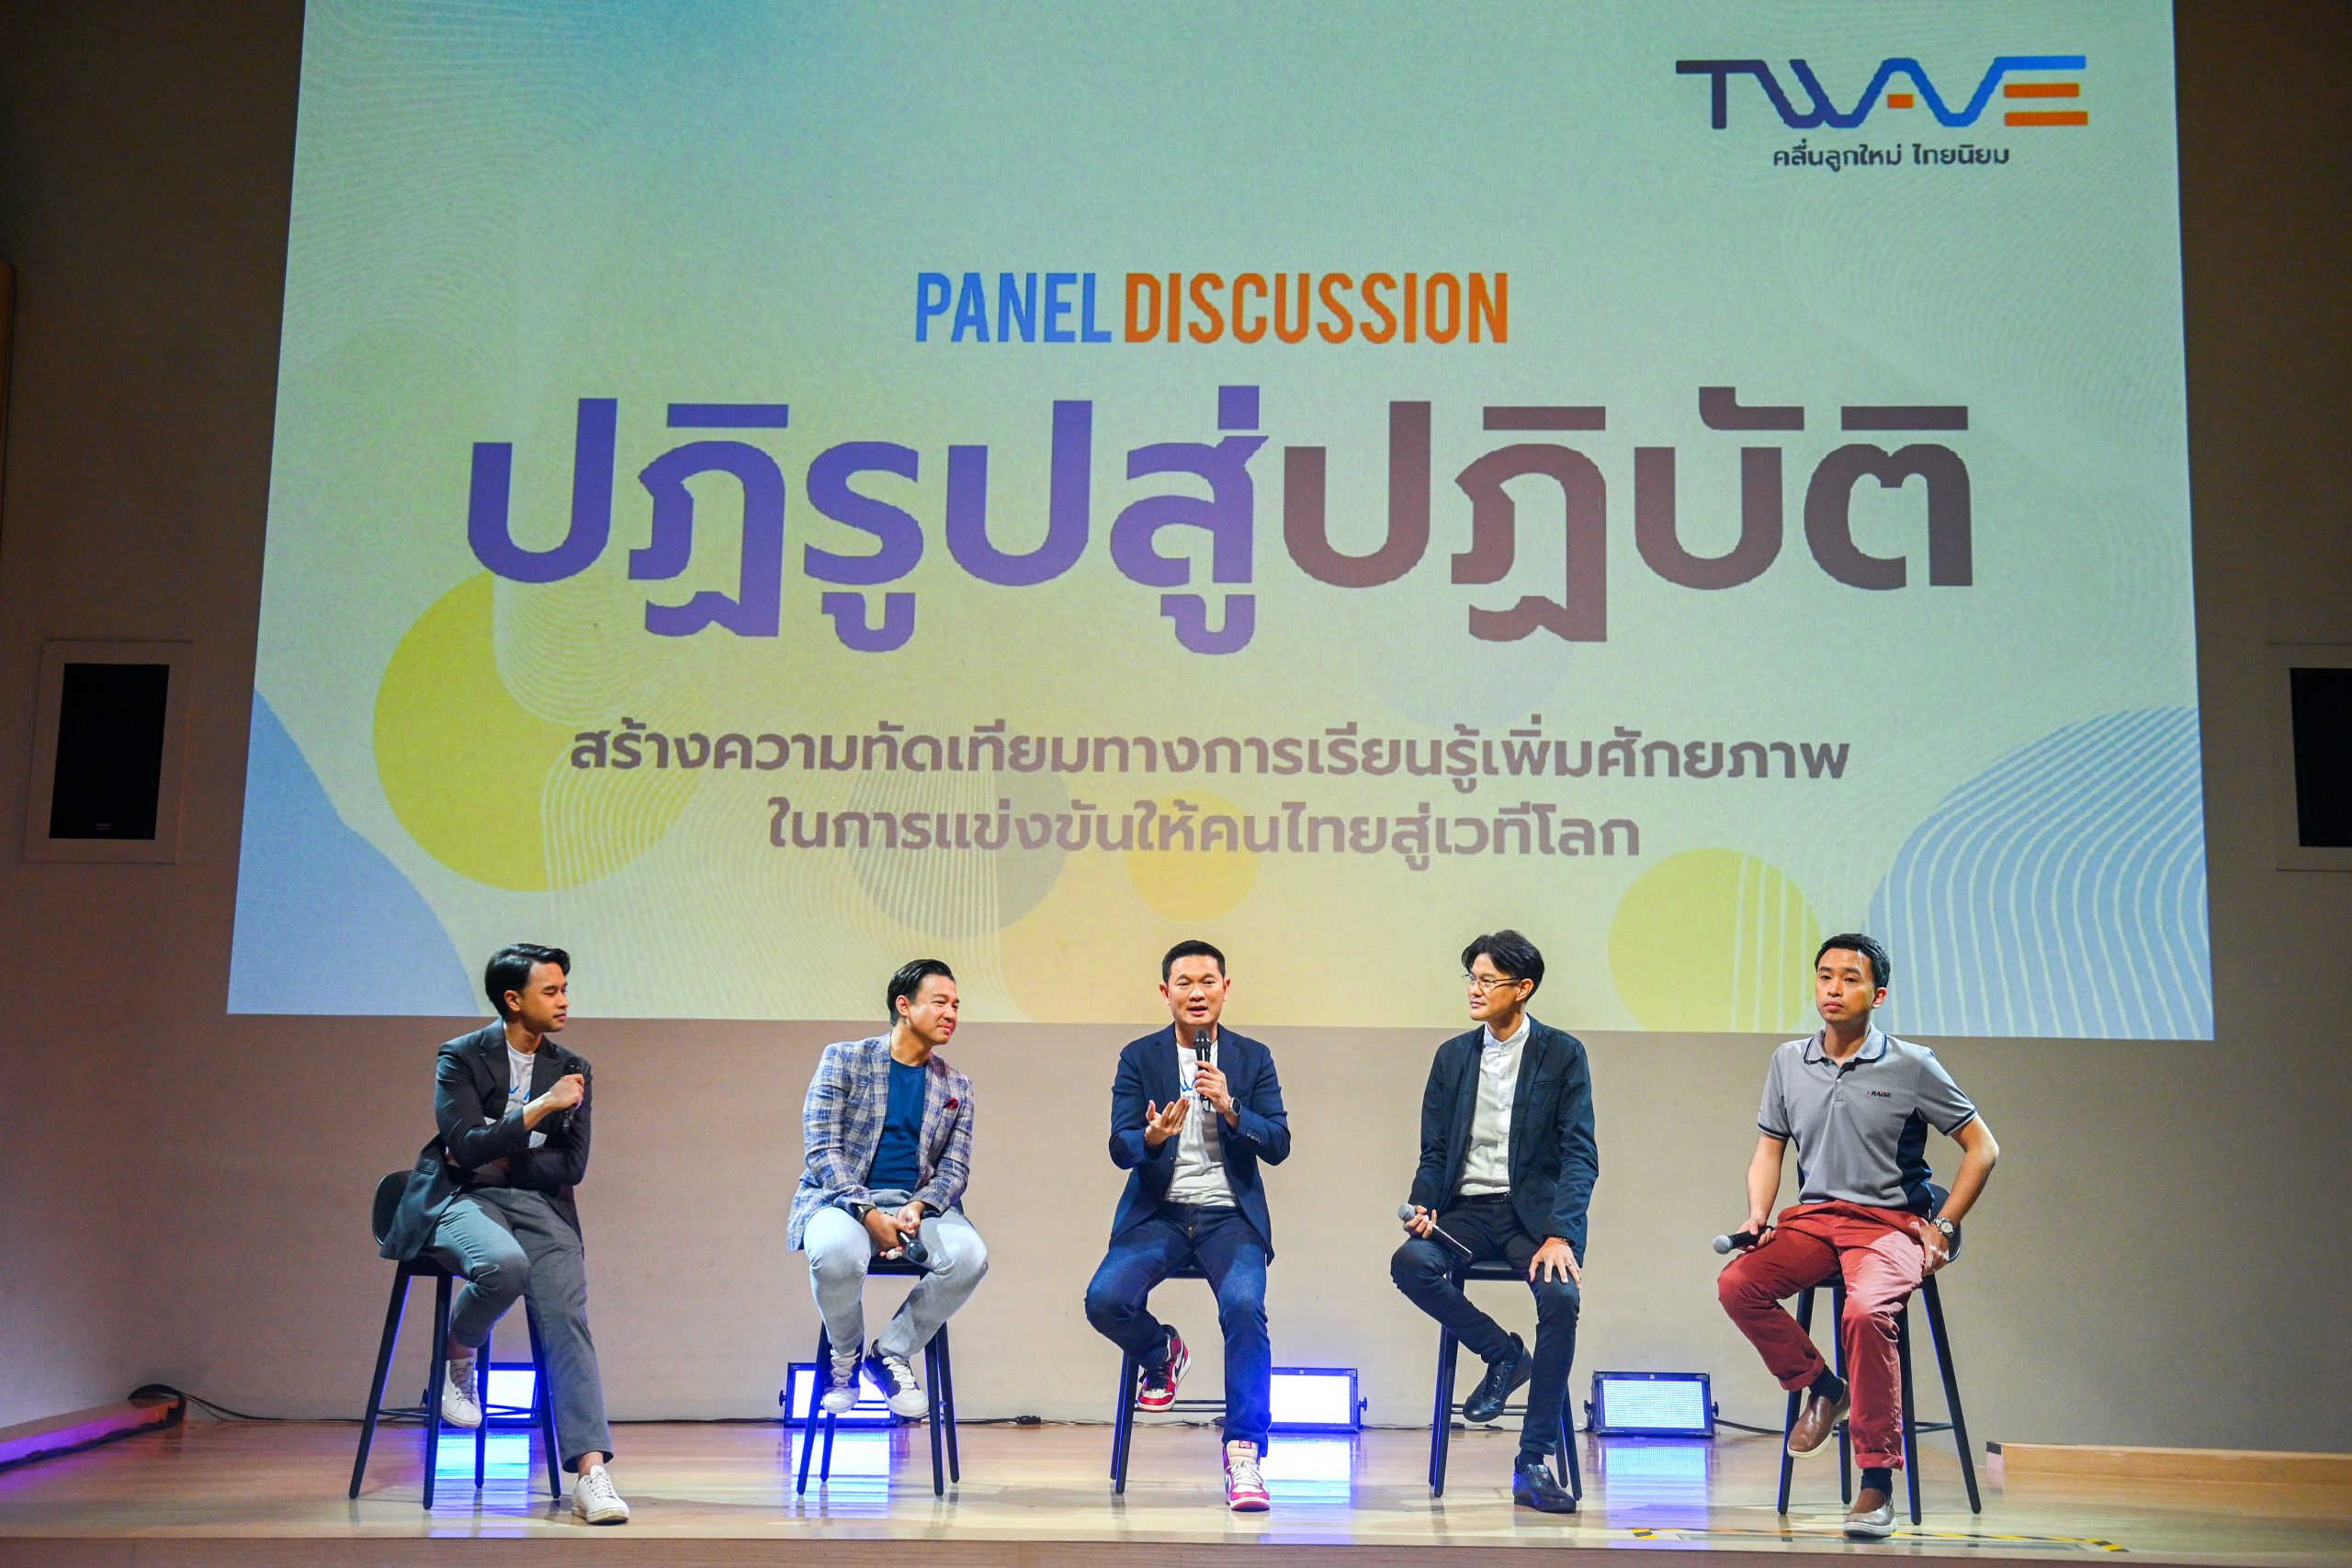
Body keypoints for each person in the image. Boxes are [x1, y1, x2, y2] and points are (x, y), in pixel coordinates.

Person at [1715, 933, 1999, 1540]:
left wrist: (1946, 1224)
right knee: (1738, 1283)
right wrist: (1757, 1215)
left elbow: (1983, 1147)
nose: (1834, 988)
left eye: (1850, 978)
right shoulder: (1789, 1060)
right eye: (1825, 976)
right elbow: (1769, 1148)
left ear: (1878, 994)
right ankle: (1823, 1386)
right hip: (1816, 1218)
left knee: (1867, 1311)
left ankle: (1876, 1482)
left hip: (1890, 1222)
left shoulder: (1911, 1063)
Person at [378, 943, 628, 1524]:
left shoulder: (573, 1066)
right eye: (551, 991)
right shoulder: (462, 1056)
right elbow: (463, 1149)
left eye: (565, 989)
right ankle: (458, 1352)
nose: (564, 1001)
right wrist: (540, 1110)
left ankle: (591, 1473)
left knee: (566, 1320)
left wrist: (502, 1152)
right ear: (513, 1000)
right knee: (504, 1266)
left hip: (540, 1203)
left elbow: (572, 1165)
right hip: (464, 1196)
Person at [1390, 930, 1597, 1514]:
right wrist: (1424, 1205)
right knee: (1410, 1264)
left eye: (1487, 980)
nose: (1474, 990)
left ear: (1522, 988)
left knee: (1560, 1299)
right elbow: (1434, 1150)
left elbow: (1579, 1154)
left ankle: (1533, 1460)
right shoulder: (1453, 1056)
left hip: (1532, 1220)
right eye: (1472, 979)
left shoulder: (1562, 1053)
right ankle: (1503, 1353)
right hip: (1466, 1213)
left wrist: (1562, 1234)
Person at [1082, 941, 1291, 1512]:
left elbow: (1278, 1144)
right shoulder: (1139, 1056)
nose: (1196, 993)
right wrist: (1151, 1138)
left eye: (1207, 982)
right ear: (1165, 992)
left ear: (1226, 988)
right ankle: (1162, 1350)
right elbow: (1120, 1146)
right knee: (1105, 1300)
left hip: (1230, 1218)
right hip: (1161, 1214)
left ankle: (1244, 1454)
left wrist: (1232, 1108)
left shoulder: (1252, 1057)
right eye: (1184, 983)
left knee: (1245, 1308)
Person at [787, 959, 986, 1426]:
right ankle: (845, 1358)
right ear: (904, 1005)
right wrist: (866, 1212)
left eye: (957, 1005)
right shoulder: (844, 1059)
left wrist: (919, 1205)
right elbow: (822, 1149)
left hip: (918, 1207)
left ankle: (890, 1354)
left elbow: (955, 1169)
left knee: (970, 1257)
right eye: (940, 1002)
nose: (951, 1013)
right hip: (839, 1199)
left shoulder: (957, 1084)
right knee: (835, 1253)